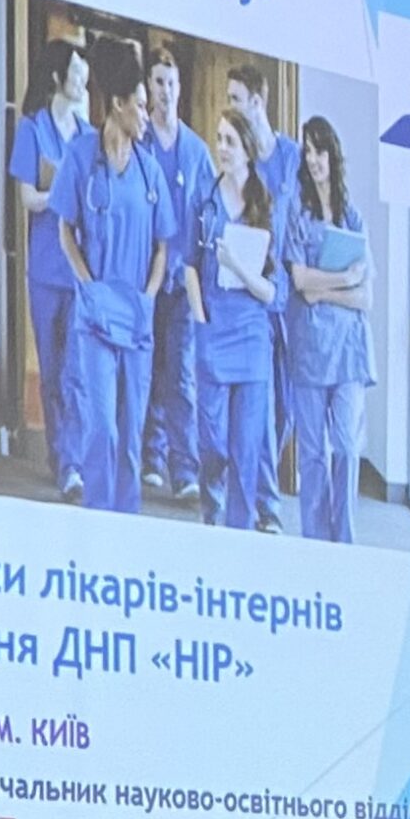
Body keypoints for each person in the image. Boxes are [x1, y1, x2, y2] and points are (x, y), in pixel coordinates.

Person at [56, 37, 173, 515]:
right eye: (141, 106)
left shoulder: (150, 171)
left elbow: (164, 245)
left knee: (129, 437)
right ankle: (97, 519)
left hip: (137, 317)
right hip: (96, 316)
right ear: (119, 105)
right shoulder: (82, 156)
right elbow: (65, 229)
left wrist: (149, 297)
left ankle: (126, 522)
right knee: (101, 427)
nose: (148, 115)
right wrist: (87, 286)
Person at [185, 106, 284, 531]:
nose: (221, 148)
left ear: (247, 150)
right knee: (213, 442)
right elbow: (189, 266)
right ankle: (212, 509)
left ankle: (238, 532)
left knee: (246, 449)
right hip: (213, 329)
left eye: (230, 141)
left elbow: (271, 291)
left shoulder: (265, 206)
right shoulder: (203, 200)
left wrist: (238, 266)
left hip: (252, 336)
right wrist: (200, 319)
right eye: (219, 139)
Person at [283, 115, 374, 544]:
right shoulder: (298, 215)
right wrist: (343, 280)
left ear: (332, 156)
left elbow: (366, 297)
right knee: (313, 454)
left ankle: (345, 542)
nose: (313, 159)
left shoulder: (353, 219)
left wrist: (324, 291)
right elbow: (300, 281)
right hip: (310, 348)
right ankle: (315, 542)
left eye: (319, 150)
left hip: (349, 351)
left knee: (347, 447)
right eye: (307, 151)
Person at [8, 39, 90, 501]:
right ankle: (60, 456)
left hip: (78, 270)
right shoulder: (32, 129)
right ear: (58, 78)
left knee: (76, 370)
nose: (82, 80)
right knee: (53, 370)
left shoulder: (87, 135)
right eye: (76, 72)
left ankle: (73, 463)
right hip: (43, 269)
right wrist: (62, 196)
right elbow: (27, 199)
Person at [223, 63, 301, 531]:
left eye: (236, 99)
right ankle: (266, 506)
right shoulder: (241, 161)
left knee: (284, 407)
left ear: (258, 101)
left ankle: (257, 490)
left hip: (286, 296)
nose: (230, 106)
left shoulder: (290, 157)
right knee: (263, 401)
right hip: (251, 296)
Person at [136, 44, 211, 504]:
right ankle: (151, 458)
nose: (165, 91)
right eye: (158, 83)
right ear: (148, 88)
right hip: (144, 279)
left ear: (180, 88)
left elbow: (209, 217)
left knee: (180, 375)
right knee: (147, 369)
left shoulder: (197, 152)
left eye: (171, 83)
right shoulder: (138, 144)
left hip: (182, 284)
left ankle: (185, 470)